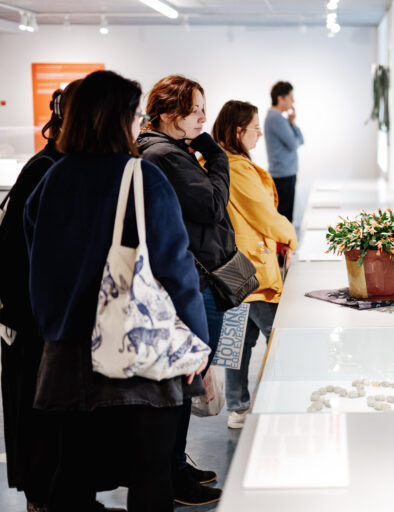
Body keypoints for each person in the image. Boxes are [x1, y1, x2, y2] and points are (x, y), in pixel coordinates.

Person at [23, 70, 208, 512]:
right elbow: (176, 269)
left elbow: (36, 259)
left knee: (72, 474)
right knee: (150, 475)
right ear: (117, 118)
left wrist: (52, 326)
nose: (138, 121)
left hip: (68, 351)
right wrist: (197, 342)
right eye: (135, 114)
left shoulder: (52, 177)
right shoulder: (143, 177)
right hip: (138, 348)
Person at [137, 74, 231, 506]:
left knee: (186, 382)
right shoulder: (164, 154)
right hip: (191, 282)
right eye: (193, 110)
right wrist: (218, 157)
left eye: (203, 109)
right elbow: (211, 204)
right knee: (183, 382)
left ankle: (176, 464)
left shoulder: (168, 151)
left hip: (194, 279)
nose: (202, 118)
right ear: (166, 112)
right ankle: (172, 474)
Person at [0, 81, 89, 512]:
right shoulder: (46, 168)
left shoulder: (64, 165)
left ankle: (62, 497)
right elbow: (17, 252)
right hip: (34, 319)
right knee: (38, 413)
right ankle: (43, 500)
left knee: (58, 415)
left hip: (48, 316)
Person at [211, 100, 298, 429]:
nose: (260, 134)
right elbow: (264, 214)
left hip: (232, 264)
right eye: (255, 128)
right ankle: (286, 399)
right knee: (279, 334)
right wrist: (291, 237)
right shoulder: (236, 167)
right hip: (253, 267)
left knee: (237, 339)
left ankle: (238, 408)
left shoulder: (219, 162)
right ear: (238, 131)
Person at [264, 81, 304, 223]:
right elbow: (294, 143)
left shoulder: (278, 117)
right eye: (290, 97)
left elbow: (300, 140)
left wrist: (292, 123)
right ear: (280, 98)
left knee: (284, 218)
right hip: (283, 177)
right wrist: (292, 127)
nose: (293, 101)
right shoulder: (276, 118)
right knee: (285, 220)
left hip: (283, 175)